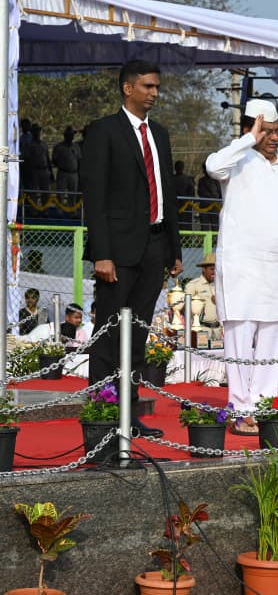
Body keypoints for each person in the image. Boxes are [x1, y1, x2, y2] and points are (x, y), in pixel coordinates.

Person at [82, 59, 183, 438]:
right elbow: (95, 196)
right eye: (148, 86)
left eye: (157, 87)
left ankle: (128, 412)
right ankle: (101, 415)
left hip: (155, 246)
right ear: (128, 89)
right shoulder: (104, 131)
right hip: (117, 251)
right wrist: (102, 253)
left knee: (137, 336)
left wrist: (174, 249)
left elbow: (167, 193)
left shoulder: (160, 134)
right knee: (108, 335)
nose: (154, 93)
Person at [205, 97, 278, 435]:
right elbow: (212, 166)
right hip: (242, 267)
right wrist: (247, 140)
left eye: (277, 130)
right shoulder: (236, 159)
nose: (274, 137)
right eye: (266, 131)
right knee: (240, 338)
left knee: (272, 339)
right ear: (250, 129)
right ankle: (240, 409)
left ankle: (264, 406)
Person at [183, 251, 221, 342]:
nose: (214, 272)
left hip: (218, 330)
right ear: (203, 269)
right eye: (212, 269)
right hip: (201, 329)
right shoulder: (193, 285)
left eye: (216, 269)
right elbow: (185, 307)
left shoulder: (220, 286)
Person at [51, 126, 80, 195]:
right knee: (60, 194)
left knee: (73, 194)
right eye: (70, 135)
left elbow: (79, 159)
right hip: (63, 173)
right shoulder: (59, 147)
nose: (71, 136)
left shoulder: (76, 146)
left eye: (72, 135)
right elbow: (54, 160)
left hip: (74, 174)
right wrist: (62, 165)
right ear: (65, 136)